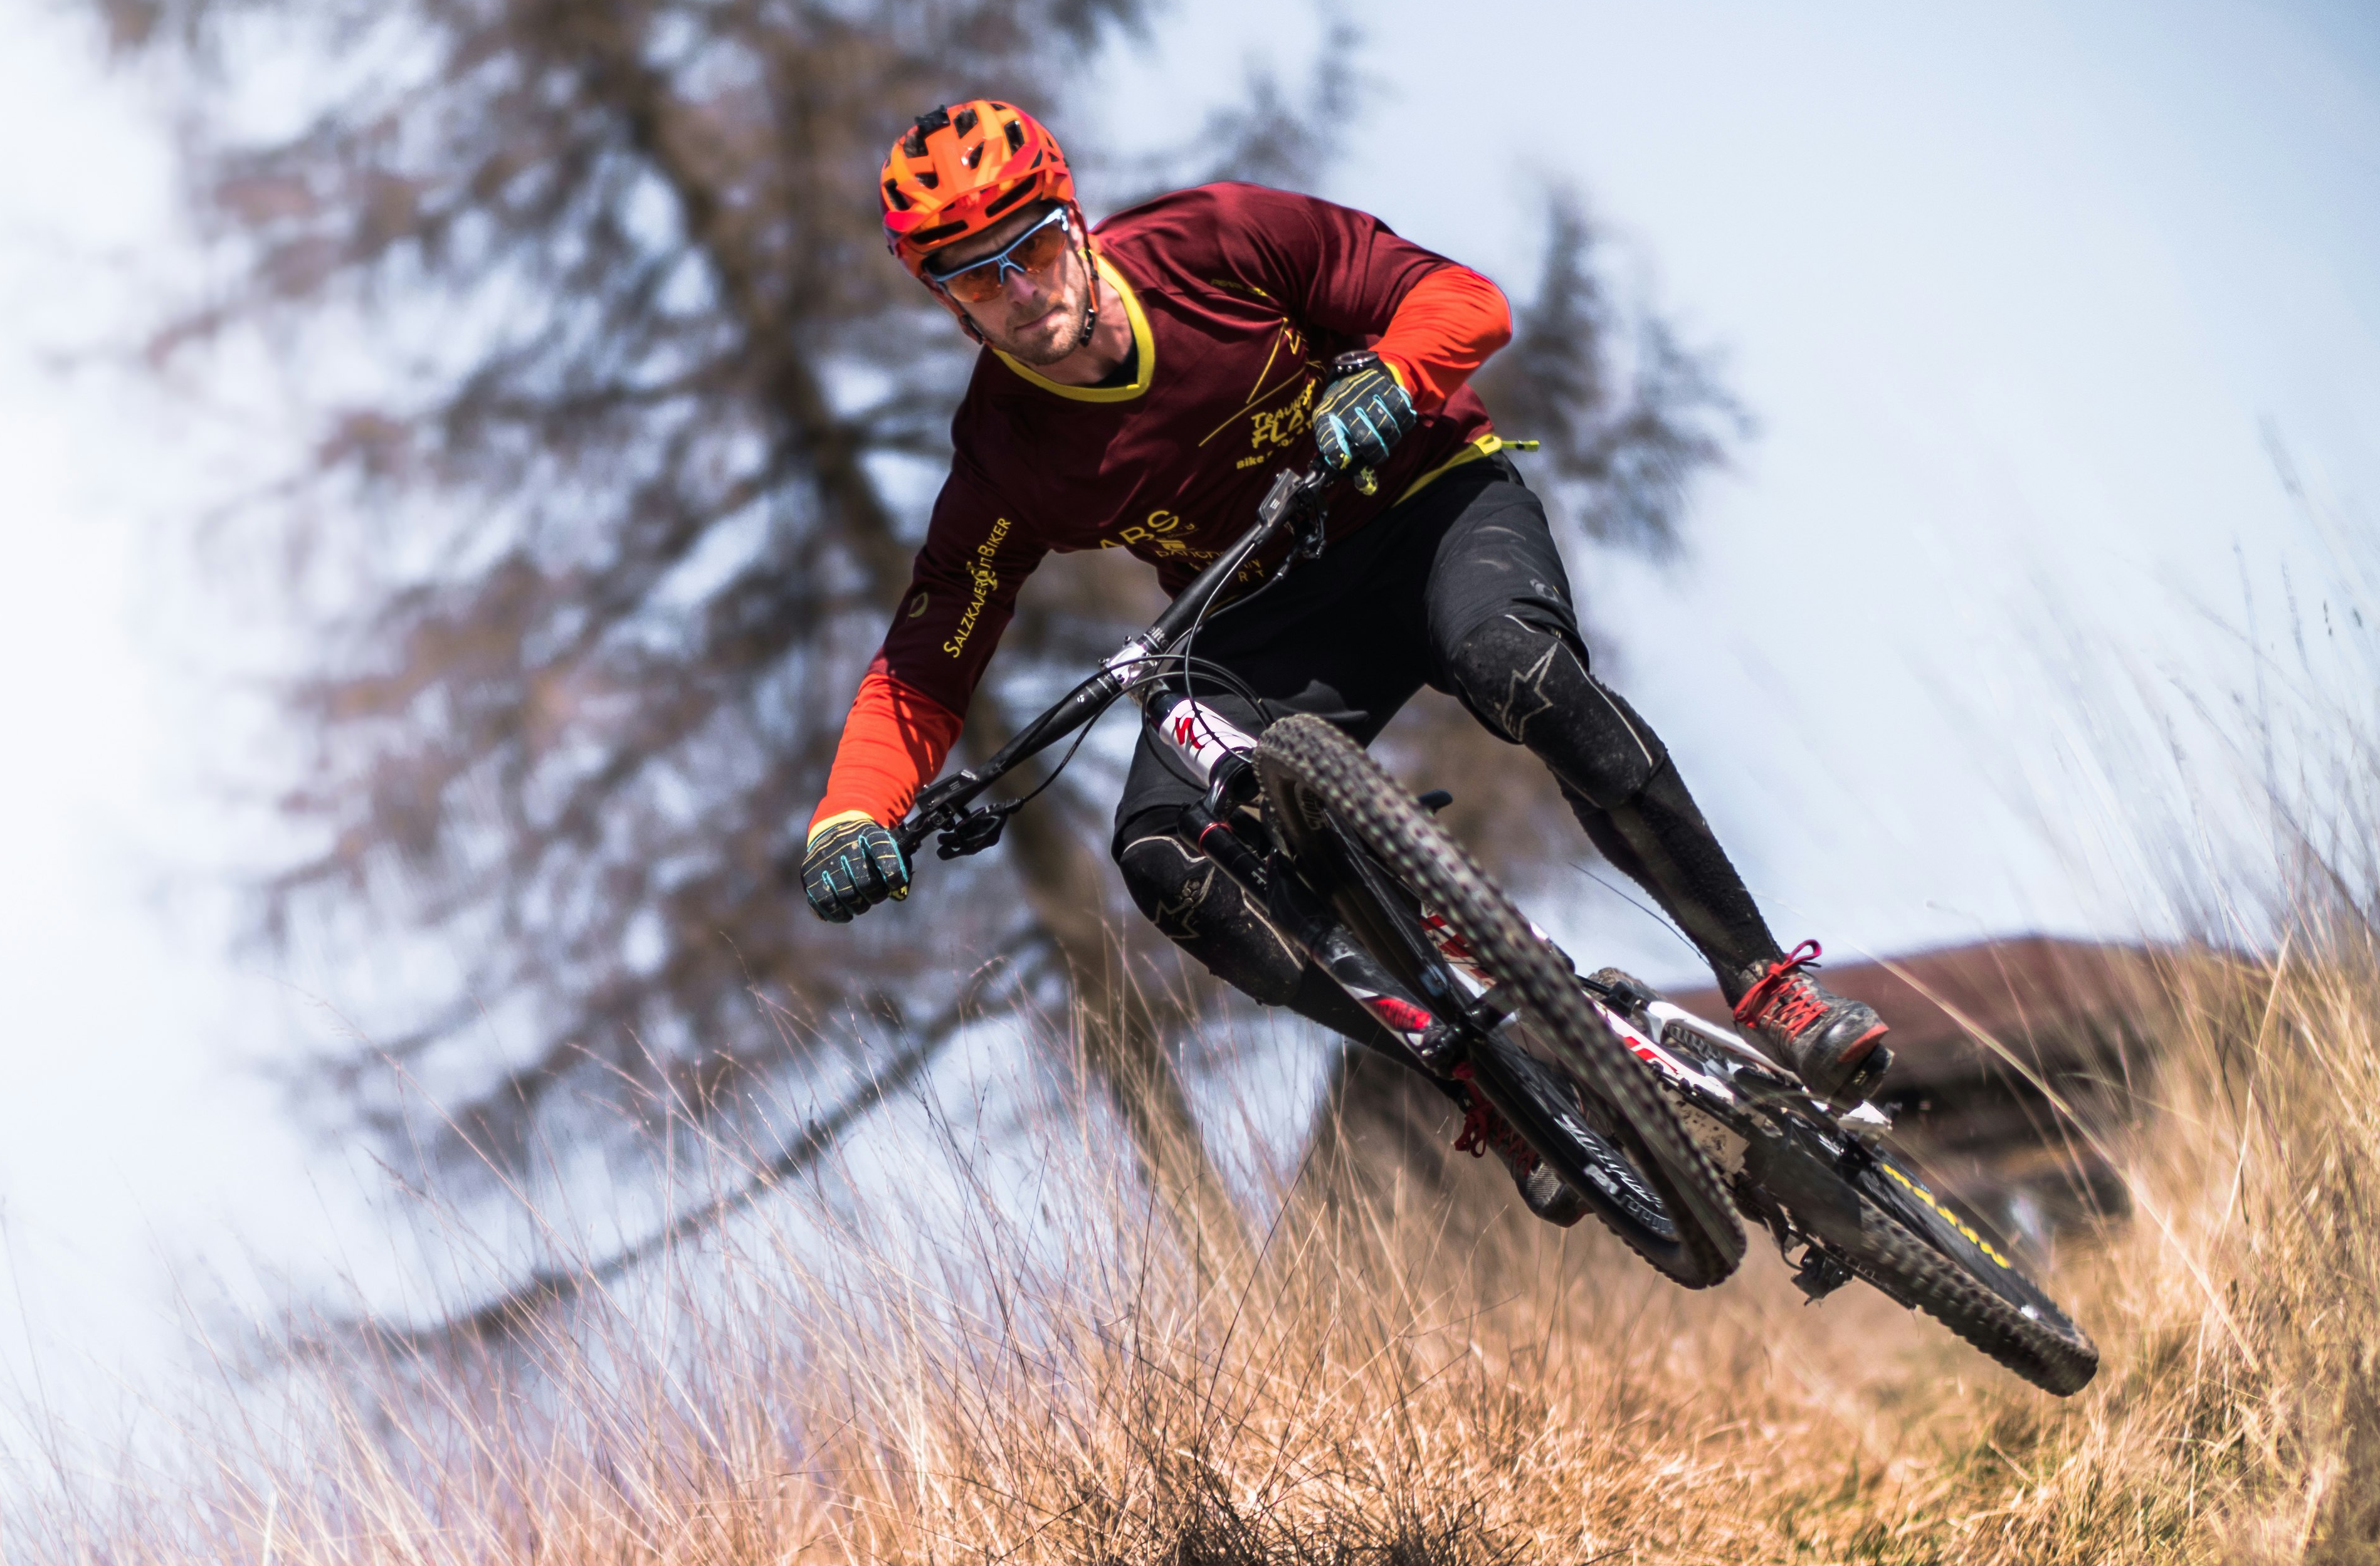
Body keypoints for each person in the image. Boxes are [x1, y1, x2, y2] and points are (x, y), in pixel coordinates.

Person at [797, 100, 1889, 1104]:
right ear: (946, 301)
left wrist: (1396, 373)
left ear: (1073, 222)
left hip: (1429, 511)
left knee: (1517, 668)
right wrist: (855, 810)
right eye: (981, 280)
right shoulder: (1004, 453)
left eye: (1032, 250)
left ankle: (1765, 987)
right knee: (1165, 856)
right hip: (1268, 612)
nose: (1024, 294)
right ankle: (1486, 1085)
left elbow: (1462, 298)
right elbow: (931, 651)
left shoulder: (1219, 238)